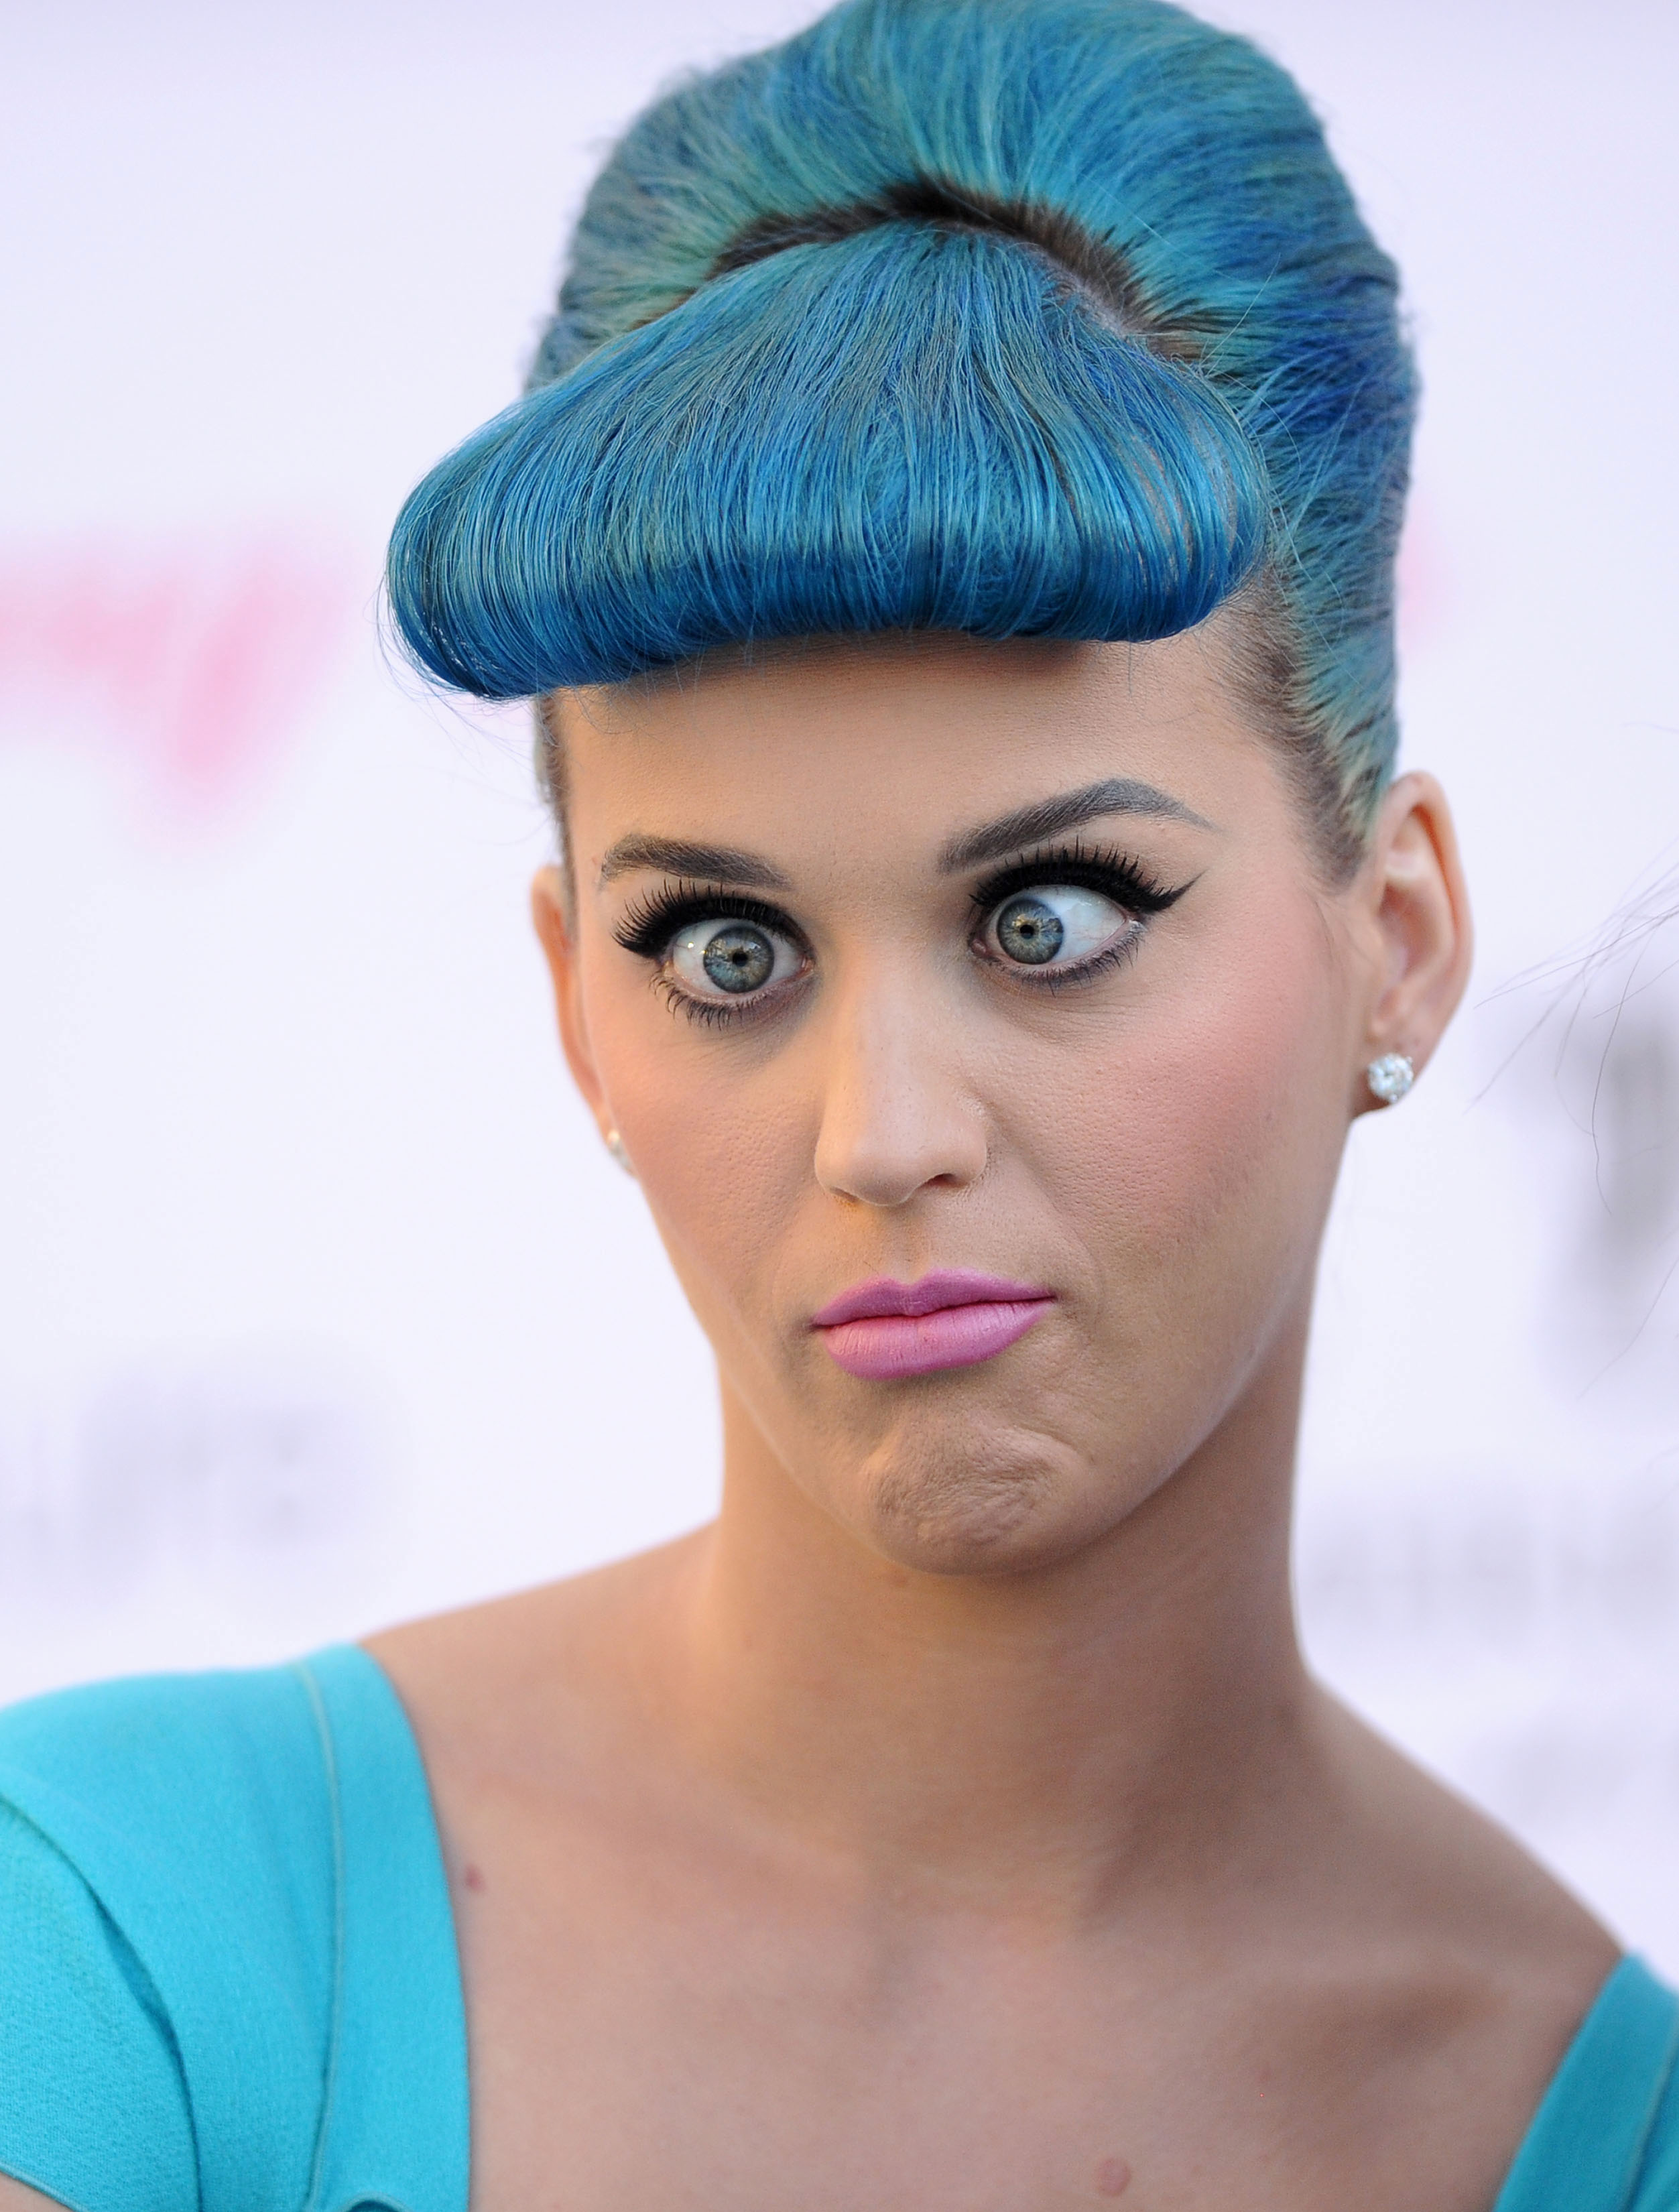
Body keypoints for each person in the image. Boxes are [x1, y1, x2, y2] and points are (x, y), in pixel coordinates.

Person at [2, 1, 1674, 2206]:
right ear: (573, 1005)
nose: (881, 1134)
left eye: (1049, 920)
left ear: (1401, 936)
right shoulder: (117, 1948)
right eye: (727, 952)